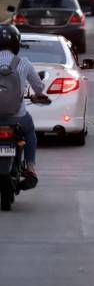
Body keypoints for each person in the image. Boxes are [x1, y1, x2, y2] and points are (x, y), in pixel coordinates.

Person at [0, 25, 48, 181]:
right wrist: (39, 95)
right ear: (16, 43)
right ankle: (30, 167)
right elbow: (39, 87)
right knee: (29, 131)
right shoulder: (23, 63)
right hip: (18, 116)